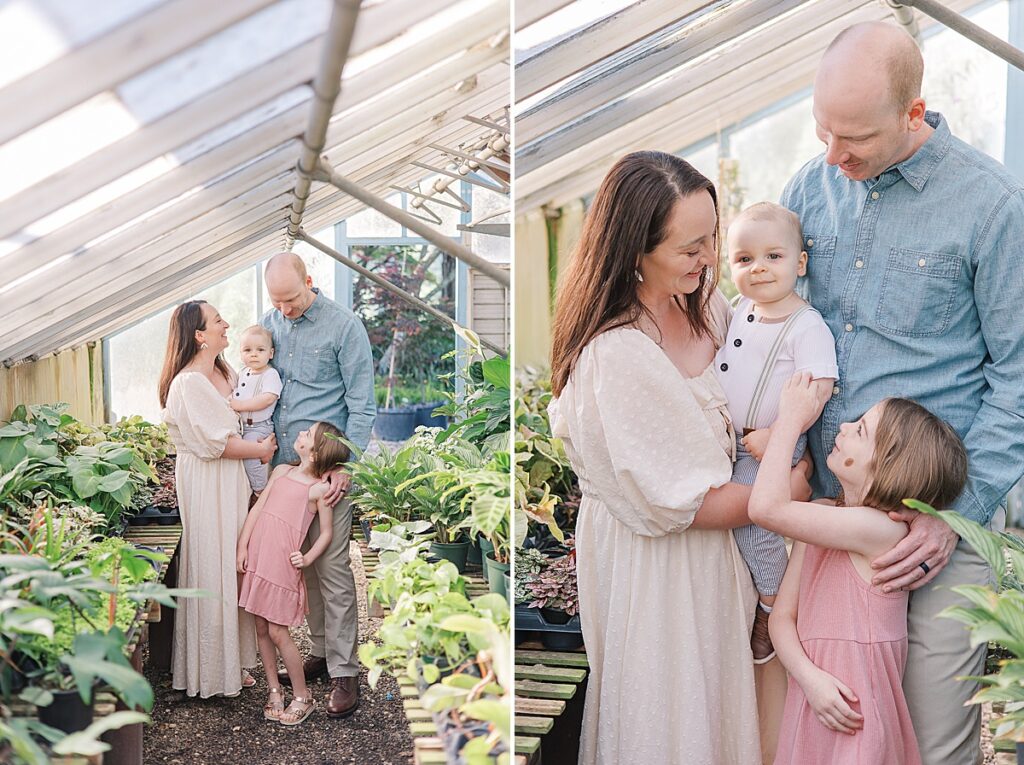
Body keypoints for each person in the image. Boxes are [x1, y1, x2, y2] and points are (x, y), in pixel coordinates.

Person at [780, 21, 1024, 762]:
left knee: (928, 744)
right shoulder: (808, 189)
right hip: (831, 522)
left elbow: (1018, 377)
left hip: (938, 529)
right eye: (823, 129)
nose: (833, 155)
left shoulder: (992, 204)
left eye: (853, 137)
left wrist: (954, 518)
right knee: (840, 735)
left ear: (913, 114)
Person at [548, 151, 810, 764]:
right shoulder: (617, 353)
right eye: (688, 248)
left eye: (710, 239)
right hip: (662, 568)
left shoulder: (705, 305)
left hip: (717, 558)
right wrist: (790, 490)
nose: (708, 259)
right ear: (634, 251)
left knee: (717, 714)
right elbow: (692, 505)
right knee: (673, 720)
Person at [750, 372, 967, 764]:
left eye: (861, 431)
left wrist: (791, 420)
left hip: (856, 719)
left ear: (890, 469)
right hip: (815, 702)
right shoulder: (819, 516)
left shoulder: (882, 531)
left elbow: (765, 508)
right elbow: (782, 619)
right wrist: (810, 680)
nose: (845, 426)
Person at [714, 202, 838, 663]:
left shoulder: (805, 325)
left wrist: (777, 436)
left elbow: (818, 389)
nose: (759, 269)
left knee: (753, 515)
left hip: (772, 445)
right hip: (732, 442)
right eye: (744, 260)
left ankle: (772, 600)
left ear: (799, 263)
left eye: (773, 257)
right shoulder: (740, 308)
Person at [260, 252, 376, 718]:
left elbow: (362, 405)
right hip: (286, 472)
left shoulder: (345, 327)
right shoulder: (269, 324)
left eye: (290, 299)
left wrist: (348, 466)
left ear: (310, 281)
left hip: (328, 470)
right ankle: (324, 654)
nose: (284, 310)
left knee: (330, 566)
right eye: (276, 301)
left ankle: (346, 669)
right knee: (300, 566)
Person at [159, 300, 277, 698]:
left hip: (229, 481)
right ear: (198, 335)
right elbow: (220, 445)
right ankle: (209, 672)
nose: (227, 325)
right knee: (211, 566)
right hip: (208, 481)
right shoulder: (189, 383)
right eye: (217, 321)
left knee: (233, 566)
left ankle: (236, 661)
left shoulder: (225, 371)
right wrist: (261, 451)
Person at [237, 422, 351, 726]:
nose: (300, 434)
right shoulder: (281, 472)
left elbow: (325, 533)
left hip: (282, 564)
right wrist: (242, 546)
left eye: (307, 435)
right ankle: (274, 689)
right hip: (259, 557)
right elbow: (258, 508)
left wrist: (307, 557)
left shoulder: (319, 489)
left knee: (277, 631)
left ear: (314, 454)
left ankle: (303, 695)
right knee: (260, 627)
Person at [230, 325, 282, 496]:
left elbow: (268, 398)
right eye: (247, 350)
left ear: (271, 353)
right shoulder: (243, 372)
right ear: (240, 354)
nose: (253, 354)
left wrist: (239, 405)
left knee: (252, 459)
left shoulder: (270, 374)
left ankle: (260, 490)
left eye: (260, 349)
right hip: (242, 426)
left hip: (259, 426)